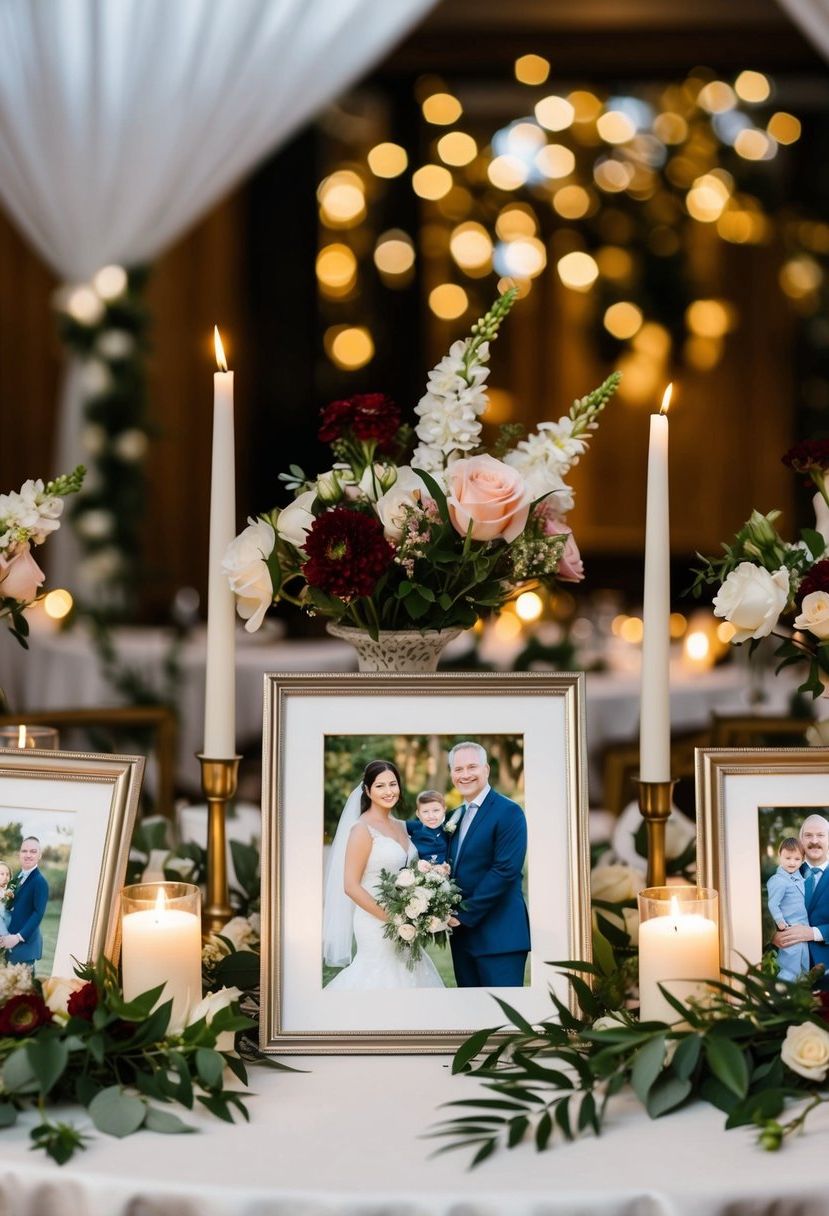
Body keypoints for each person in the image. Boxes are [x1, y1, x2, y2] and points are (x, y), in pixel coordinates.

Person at [323, 760, 444, 990]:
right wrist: (393, 917)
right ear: (368, 790)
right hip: (375, 922)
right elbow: (350, 885)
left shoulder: (401, 826)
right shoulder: (361, 829)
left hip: (408, 919)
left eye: (393, 784)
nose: (389, 791)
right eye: (380, 786)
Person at [446, 741, 530, 988]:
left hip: (499, 937)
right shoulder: (454, 816)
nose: (465, 774)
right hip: (462, 939)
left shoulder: (509, 812)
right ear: (451, 773)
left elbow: (505, 871)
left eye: (472, 767)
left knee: (503, 1021)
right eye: (458, 769)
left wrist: (464, 913)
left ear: (486, 769)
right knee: (471, 1021)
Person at [772, 814, 829, 989]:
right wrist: (773, 937)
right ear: (800, 842)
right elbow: (768, 915)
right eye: (808, 835)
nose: (814, 841)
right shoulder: (783, 874)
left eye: (820, 835)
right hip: (791, 972)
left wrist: (812, 933)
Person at [0, 837, 49, 972]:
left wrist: (17, 937)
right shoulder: (15, 877)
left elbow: (38, 914)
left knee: (22, 989)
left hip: (24, 946)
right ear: (19, 854)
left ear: (40, 855)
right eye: (24, 851)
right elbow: (8, 905)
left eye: (33, 851)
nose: (28, 855)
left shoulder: (40, 882)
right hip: (8, 944)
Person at [766, 836, 810, 981]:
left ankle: (801, 998)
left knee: (805, 968)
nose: (792, 862)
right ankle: (781, 995)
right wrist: (780, 922)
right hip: (790, 931)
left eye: (797, 859)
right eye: (788, 858)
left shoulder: (802, 880)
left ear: (803, 860)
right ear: (780, 856)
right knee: (790, 968)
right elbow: (773, 903)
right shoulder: (778, 881)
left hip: (804, 931)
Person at [406, 790, 450, 865]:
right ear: (418, 813)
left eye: (436, 810)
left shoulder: (447, 829)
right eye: (425, 811)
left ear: (444, 810)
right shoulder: (415, 827)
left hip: (444, 873)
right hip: (418, 872)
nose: (431, 816)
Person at [0, 862, 13, 938]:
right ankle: (6, 937)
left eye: (7, 874)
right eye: (2, 874)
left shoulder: (7, 890)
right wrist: (4, 895)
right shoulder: (4, 892)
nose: (5, 877)